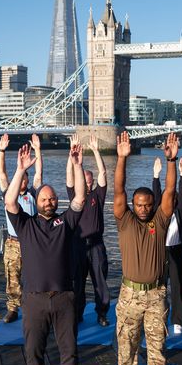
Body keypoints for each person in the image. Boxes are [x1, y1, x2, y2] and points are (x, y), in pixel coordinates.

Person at [5, 140, 88, 365]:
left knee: (69, 351)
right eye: (44, 199)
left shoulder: (66, 223)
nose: (49, 202)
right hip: (34, 300)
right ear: (37, 202)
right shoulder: (25, 225)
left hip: (64, 297)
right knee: (33, 353)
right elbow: (9, 201)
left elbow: (80, 199)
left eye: (52, 199)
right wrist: (20, 169)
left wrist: (77, 165)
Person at [113, 131, 179, 365]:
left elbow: (170, 191)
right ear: (133, 205)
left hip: (155, 295)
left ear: (152, 206)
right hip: (129, 295)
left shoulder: (160, 221)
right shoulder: (125, 220)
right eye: (138, 204)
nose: (142, 208)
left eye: (147, 205)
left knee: (157, 346)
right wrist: (121, 159)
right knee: (126, 346)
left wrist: (172, 161)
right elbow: (118, 190)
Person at [0, 133, 42, 323]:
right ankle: (13, 308)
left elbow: (39, 173)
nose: (22, 182)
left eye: (24, 178)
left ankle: (35, 306)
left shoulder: (33, 193)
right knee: (12, 276)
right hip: (13, 242)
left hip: (31, 241)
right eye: (20, 178)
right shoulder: (9, 192)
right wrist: (1, 151)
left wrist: (38, 150)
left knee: (35, 274)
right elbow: (2, 173)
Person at [68, 135, 111, 326]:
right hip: (77, 246)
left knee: (100, 282)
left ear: (92, 183)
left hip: (96, 245)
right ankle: (77, 314)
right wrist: (72, 156)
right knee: (77, 282)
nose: (86, 184)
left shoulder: (97, 196)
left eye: (88, 181)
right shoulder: (74, 197)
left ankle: (102, 313)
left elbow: (103, 173)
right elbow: (69, 178)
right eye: (83, 181)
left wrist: (95, 150)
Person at [152, 156, 182, 334]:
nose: (171, 202)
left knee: (178, 287)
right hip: (159, 253)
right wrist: (155, 176)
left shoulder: (179, 213)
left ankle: (178, 321)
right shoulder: (158, 213)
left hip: (176, 252)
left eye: (173, 200)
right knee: (158, 288)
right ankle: (157, 317)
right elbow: (156, 194)